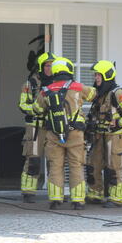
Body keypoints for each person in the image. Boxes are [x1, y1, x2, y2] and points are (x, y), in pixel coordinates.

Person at [33, 57, 96, 210]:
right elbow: (93, 94)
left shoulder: (46, 90)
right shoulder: (77, 87)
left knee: (55, 166)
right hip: (75, 134)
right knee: (76, 166)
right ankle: (78, 201)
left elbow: (37, 109)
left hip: (54, 134)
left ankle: (55, 199)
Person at [86, 60, 122, 208]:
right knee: (92, 164)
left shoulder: (118, 93)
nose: (96, 78)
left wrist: (119, 123)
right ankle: (95, 194)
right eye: (95, 75)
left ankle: (116, 198)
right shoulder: (99, 94)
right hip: (99, 135)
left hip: (114, 136)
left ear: (107, 75)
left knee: (115, 166)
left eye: (98, 75)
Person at [18, 51, 55, 203]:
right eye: (47, 65)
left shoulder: (57, 84)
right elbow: (22, 104)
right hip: (35, 127)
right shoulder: (30, 84)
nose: (50, 68)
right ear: (41, 67)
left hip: (52, 127)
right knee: (33, 161)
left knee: (54, 161)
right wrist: (36, 109)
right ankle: (28, 192)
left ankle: (55, 194)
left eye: (52, 65)